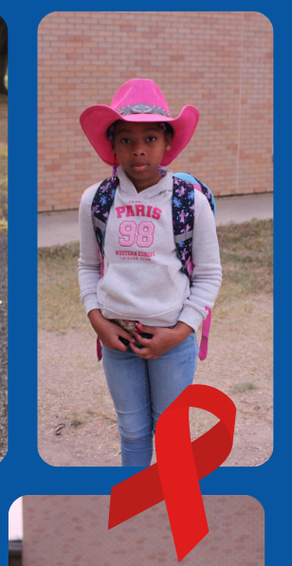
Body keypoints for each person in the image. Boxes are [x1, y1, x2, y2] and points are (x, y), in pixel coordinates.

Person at [77, 79, 221, 466]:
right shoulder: (96, 201)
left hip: (172, 342)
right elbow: (88, 265)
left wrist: (179, 332)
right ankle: (136, 511)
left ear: (168, 142)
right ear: (111, 145)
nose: (138, 148)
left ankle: (175, 516)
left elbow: (208, 275)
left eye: (150, 137)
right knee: (133, 431)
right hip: (116, 340)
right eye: (125, 139)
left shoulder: (190, 201)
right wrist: (98, 320)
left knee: (171, 433)